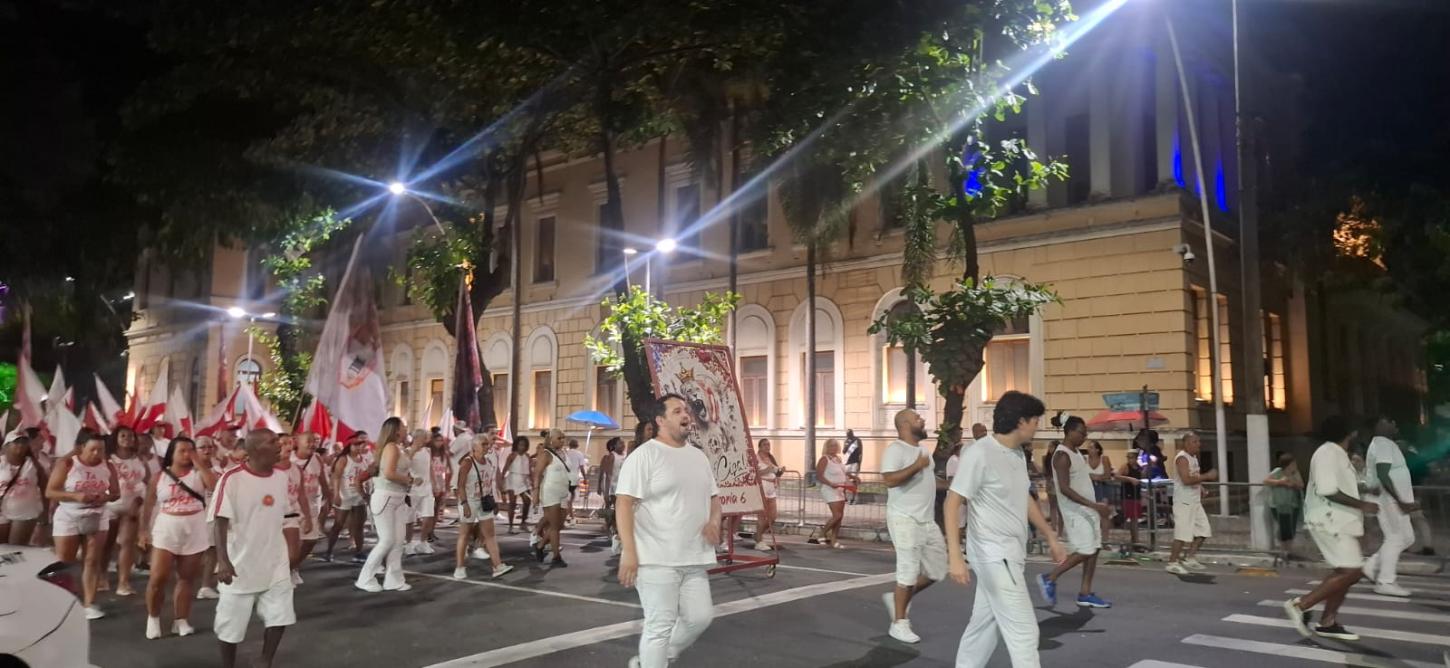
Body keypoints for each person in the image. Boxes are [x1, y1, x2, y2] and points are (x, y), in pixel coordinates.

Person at [945, 391, 1066, 667]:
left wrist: (1049, 534)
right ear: (1021, 422)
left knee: (983, 627)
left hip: (1010, 553)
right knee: (1025, 633)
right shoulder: (979, 453)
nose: (1038, 427)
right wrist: (955, 556)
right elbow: (952, 502)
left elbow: (1023, 498)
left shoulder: (1016, 454)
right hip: (994, 555)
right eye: (1035, 421)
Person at [616, 394, 720, 668]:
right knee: (659, 625)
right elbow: (624, 504)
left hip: (694, 556)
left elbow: (714, 498)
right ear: (660, 420)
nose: (686, 415)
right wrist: (629, 552)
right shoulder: (644, 456)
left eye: (686, 410)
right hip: (655, 558)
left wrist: (714, 522)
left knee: (699, 618)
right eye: (677, 411)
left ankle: (653, 660)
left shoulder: (698, 456)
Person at [1282, 416, 1379, 641]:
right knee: (1351, 571)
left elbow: (1343, 486)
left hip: (1342, 521)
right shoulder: (1327, 453)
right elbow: (1328, 490)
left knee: (1349, 573)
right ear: (1350, 433)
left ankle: (1327, 622)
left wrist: (1365, 489)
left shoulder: (1338, 454)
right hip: (1329, 519)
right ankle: (1300, 605)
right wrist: (1363, 505)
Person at [212, 429, 294, 668]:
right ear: (256, 449)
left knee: (280, 614)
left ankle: (265, 662)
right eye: (273, 442)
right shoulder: (231, 479)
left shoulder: (281, 477)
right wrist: (223, 560)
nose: (280, 445)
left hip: (275, 561)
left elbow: (285, 515)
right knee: (230, 627)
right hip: (240, 563)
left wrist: (292, 546)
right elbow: (219, 520)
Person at [879, 409, 947, 644]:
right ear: (905, 425)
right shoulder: (895, 450)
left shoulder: (923, 451)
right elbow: (889, 480)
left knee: (937, 571)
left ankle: (897, 598)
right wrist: (917, 465)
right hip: (904, 518)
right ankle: (899, 624)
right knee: (907, 572)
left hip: (926, 520)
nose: (923, 420)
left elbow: (929, 480)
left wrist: (955, 486)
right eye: (918, 418)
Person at [141, 436, 217, 639]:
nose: (187, 455)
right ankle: (153, 618)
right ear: (172, 454)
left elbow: (213, 486)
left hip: (194, 528)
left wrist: (198, 462)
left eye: (190, 450)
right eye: (182, 451)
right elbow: (148, 504)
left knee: (186, 577)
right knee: (158, 577)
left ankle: (181, 619)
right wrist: (143, 530)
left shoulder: (199, 474)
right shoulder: (159, 476)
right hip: (167, 528)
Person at [1038, 416, 1112, 608]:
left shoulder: (1077, 452)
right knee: (1085, 550)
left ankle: (1085, 592)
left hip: (1088, 509)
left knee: (1095, 547)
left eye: (1085, 433)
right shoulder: (1062, 456)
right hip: (1075, 511)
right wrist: (1093, 505)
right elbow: (1064, 488)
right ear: (1069, 431)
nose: (1084, 437)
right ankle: (1050, 577)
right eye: (1081, 433)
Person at [49, 431, 120, 619]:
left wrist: (105, 497)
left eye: (101, 450)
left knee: (92, 560)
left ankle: (89, 603)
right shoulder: (67, 464)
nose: (97, 454)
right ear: (81, 448)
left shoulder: (108, 466)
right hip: (68, 515)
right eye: (93, 449)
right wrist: (75, 496)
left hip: (96, 515)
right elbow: (51, 491)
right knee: (65, 561)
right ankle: (64, 600)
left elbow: (116, 493)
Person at [356, 417, 418, 593]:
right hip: (386, 497)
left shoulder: (398, 447)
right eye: (403, 426)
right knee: (387, 540)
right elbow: (389, 473)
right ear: (396, 430)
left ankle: (394, 580)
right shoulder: (391, 447)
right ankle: (365, 578)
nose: (406, 429)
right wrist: (409, 480)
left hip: (397, 497)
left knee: (398, 541)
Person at [1363, 417, 1416, 596]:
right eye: (1390, 422)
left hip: (1393, 500)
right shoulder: (1383, 443)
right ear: (1379, 425)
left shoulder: (1384, 444)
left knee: (1407, 538)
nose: (1395, 424)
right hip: (1391, 500)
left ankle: (1371, 566)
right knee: (1396, 538)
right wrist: (1400, 500)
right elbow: (1383, 475)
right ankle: (1385, 582)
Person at [453, 433, 514, 580]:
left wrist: (494, 500)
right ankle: (460, 567)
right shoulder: (468, 462)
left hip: (484, 501)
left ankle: (497, 566)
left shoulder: (488, 462)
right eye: (484, 444)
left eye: (487, 443)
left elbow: (488, 484)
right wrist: (464, 504)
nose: (487, 446)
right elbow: (460, 485)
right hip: (470, 501)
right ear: (474, 447)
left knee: (490, 535)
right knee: (464, 534)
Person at [103, 425, 151, 596]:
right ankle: (101, 577)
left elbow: (147, 482)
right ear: (116, 438)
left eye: (130, 436)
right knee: (107, 545)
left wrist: (139, 502)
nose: (127, 439)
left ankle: (123, 583)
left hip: (132, 507)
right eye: (123, 435)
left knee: (127, 544)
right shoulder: (107, 458)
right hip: (109, 507)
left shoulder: (140, 459)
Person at [1165, 431, 1216, 575]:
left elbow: (1194, 477)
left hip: (1195, 501)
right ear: (1186, 443)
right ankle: (1172, 562)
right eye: (1195, 442)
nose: (1199, 444)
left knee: (1204, 530)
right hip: (1184, 502)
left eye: (1198, 441)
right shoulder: (1182, 458)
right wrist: (1207, 476)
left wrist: (1201, 488)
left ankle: (1190, 557)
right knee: (1182, 534)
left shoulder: (1193, 458)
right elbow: (1186, 480)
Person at [272, 436, 312, 586]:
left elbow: (301, 495)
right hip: (271, 516)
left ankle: (284, 575)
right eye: (283, 443)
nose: (287, 446)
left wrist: (308, 517)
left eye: (289, 443)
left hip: (290, 515)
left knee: (293, 555)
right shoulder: (268, 468)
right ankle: (274, 581)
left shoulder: (296, 469)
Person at [323, 436, 368, 563]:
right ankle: (329, 551)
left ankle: (359, 552)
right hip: (345, 495)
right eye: (356, 445)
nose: (359, 447)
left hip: (358, 496)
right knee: (339, 524)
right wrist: (336, 494)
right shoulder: (344, 459)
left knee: (359, 525)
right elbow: (336, 477)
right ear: (350, 446)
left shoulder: (362, 459)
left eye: (361, 444)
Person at [292, 434, 331, 575]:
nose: (312, 444)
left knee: (311, 540)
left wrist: (328, 498)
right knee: (292, 542)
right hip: (291, 508)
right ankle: (288, 570)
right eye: (308, 441)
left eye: (314, 441)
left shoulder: (317, 459)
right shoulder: (288, 458)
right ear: (297, 442)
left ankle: (293, 566)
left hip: (312, 506)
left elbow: (323, 480)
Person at [532, 429, 571, 566]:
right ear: (551, 439)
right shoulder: (546, 454)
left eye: (563, 438)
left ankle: (540, 546)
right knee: (554, 526)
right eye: (559, 438)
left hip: (563, 492)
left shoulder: (563, 453)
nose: (562, 440)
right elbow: (537, 474)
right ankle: (556, 557)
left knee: (559, 524)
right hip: (550, 492)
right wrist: (535, 493)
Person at [1, 432, 47, 546]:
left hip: (25, 514)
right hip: (1, 512)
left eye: (24, 442)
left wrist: (45, 514)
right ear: (7, 445)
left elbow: (45, 488)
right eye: (16, 442)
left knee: (16, 548)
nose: (20, 445)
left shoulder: (34, 464)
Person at [194, 436, 223, 600]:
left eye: (210, 447)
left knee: (214, 550)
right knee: (202, 551)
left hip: (218, 514)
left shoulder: (218, 468)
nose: (207, 450)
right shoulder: (191, 471)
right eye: (202, 447)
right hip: (199, 515)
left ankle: (206, 586)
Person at [404, 429, 439, 556]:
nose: (427, 440)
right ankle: (408, 543)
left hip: (427, 488)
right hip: (412, 489)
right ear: (417, 438)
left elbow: (430, 468)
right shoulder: (407, 451)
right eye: (425, 437)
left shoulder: (427, 451)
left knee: (428, 515)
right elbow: (404, 467)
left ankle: (423, 542)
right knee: (409, 518)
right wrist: (412, 480)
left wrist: (435, 483)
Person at [1263, 451, 1304, 559]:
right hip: (1278, 504)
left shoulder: (1295, 473)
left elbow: (1301, 485)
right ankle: (1283, 550)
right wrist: (1280, 482)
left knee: (1291, 528)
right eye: (1293, 463)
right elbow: (1266, 481)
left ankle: (1289, 551)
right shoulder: (1278, 472)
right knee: (1283, 527)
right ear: (1287, 464)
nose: (1295, 465)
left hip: (1292, 504)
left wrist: (1293, 484)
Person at [813, 438, 852, 548]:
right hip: (829, 489)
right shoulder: (824, 459)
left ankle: (834, 539)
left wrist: (852, 479)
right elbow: (819, 476)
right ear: (827, 447)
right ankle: (822, 533)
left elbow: (843, 474)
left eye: (835, 446)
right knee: (837, 515)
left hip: (840, 489)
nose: (833, 448)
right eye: (831, 446)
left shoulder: (838, 459)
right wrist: (830, 484)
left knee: (840, 517)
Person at [753, 439, 783, 551]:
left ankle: (758, 534)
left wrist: (780, 472)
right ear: (760, 446)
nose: (767, 446)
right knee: (762, 516)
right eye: (765, 444)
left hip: (771, 488)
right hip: (762, 486)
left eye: (768, 444)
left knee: (773, 516)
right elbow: (753, 472)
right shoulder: (756, 458)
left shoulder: (771, 458)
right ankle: (759, 541)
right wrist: (766, 470)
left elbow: (776, 472)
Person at [1085, 440, 1113, 548]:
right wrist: (1094, 477)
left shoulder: (1104, 459)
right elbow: (1082, 474)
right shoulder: (1084, 459)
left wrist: (1095, 477)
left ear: (1097, 449)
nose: (1089, 449)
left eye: (1091, 447)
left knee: (1104, 515)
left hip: (1102, 488)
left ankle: (1105, 540)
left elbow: (1107, 475)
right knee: (1089, 514)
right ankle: (1091, 540)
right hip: (1088, 489)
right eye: (1088, 447)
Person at [503, 437, 533, 533]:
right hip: (513, 479)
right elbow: (505, 469)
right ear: (516, 445)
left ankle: (523, 523)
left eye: (524, 445)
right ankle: (510, 526)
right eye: (520, 445)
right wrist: (502, 482)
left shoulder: (527, 456)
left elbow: (530, 470)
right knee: (512, 503)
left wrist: (532, 481)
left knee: (527, 501)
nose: (522, 447)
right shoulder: (512, 455)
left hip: (524, 481)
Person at [564, 437, 588, 525]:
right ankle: (570, 516)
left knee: (568, 497)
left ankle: (568, 515)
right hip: (574, 478)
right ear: (577, 445)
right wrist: (585, 478)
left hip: (565, 477)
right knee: (570, 497)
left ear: (569, 445)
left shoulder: (565, 453)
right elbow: (581, 467)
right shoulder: (579, 454)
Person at [843, 429, 863, 503]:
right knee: (844, 480)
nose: (847, 435)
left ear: (852, 433)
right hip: (847, 463)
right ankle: (844, 497)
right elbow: (844, 451)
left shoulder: (857, 440)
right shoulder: (846, 441)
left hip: (855, 463)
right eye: (846, 434)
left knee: (854, 481)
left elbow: (860, 453)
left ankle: (853, 498)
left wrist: (859, 464)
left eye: (848, 434)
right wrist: (846, 446)